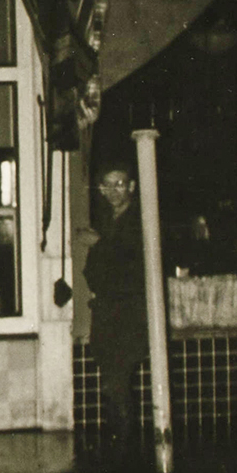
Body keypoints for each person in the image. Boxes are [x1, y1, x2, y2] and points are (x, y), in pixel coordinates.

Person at [83, 164, 149, 455]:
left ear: (132, 186)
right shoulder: (107, 219)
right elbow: (95, 270)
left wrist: (99, 245)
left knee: (118, 381)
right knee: (111, 382)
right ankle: (120, 447)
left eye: (119, 184)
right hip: (107, 312)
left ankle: (124, 451)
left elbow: (132, 266)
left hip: (128, 314)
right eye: (107, 185)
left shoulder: (140, 219)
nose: (113, 191)